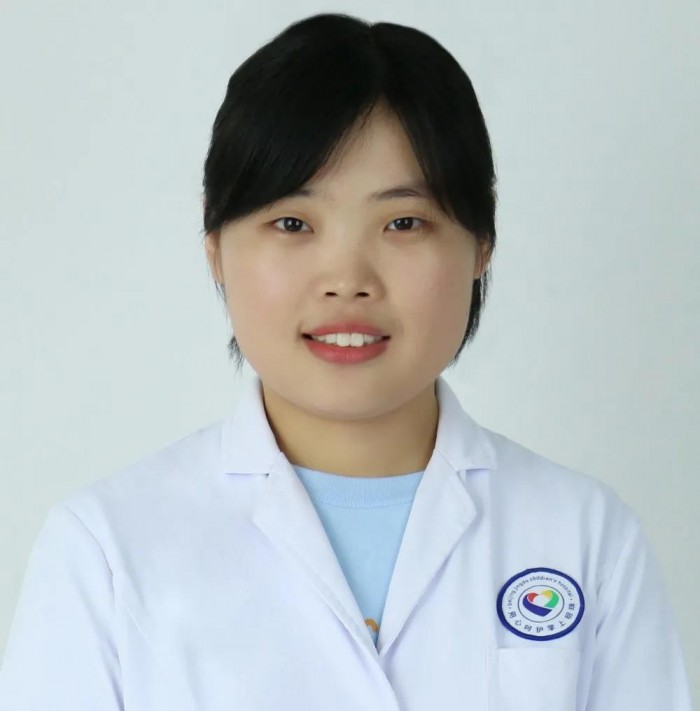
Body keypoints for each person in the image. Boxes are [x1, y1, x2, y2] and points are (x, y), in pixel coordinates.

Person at [0, 12, 693, 711]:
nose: (347, 280)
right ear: (214, 244)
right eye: (292, 223)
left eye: (403, 223)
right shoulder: (107, 551)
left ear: (482, 242)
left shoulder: (585, 537)